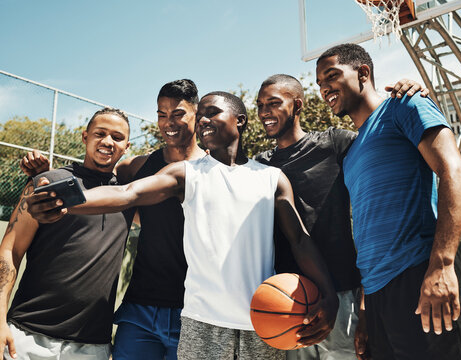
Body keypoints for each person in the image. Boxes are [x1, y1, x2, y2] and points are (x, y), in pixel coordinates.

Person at [26, 91, 340, 360]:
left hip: (263, 321)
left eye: (212, 112)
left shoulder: (272, 178)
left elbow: (300, 240)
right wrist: (65, 198)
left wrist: (328, 294)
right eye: (199, 115)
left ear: (240, 120)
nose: (202, 120)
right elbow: (126, 193)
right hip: (199, 323)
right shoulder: (187, 173)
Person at [315, 43, 461, 360]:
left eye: (332, 76)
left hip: (420, 277)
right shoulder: (351, 154)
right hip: (378, 299)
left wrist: (442, 266)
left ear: (363, 72)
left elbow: (454, 171)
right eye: (320, 83)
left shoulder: (404, 106)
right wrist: (366, 310)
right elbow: (367, 234)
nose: (324, 88)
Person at [19, 79, 206, 360]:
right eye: (161, 114)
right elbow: (98, 180)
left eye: (178, 114)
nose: (169, 122)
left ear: (196, 116)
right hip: (140, 308)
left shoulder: (217, 170)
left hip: (196, 309)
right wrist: (48, 182)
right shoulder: (135, 168)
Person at [254, 74, 428, 360]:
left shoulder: (334, 143)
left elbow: (383, 140)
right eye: (260, 105)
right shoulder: (260, 166)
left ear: (297, 105)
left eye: (273, 103)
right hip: (286, 300)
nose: (264, 112)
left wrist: (412, 94)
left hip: (344, 293)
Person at [0, 108, 131, 360]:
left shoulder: (129, 196)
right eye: (99, 133)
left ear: (126, 147)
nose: (107, 141)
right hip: (27, 338)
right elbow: (10, 251)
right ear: (84, 137)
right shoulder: (47, 183)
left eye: (117, 137)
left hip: (92, 347)